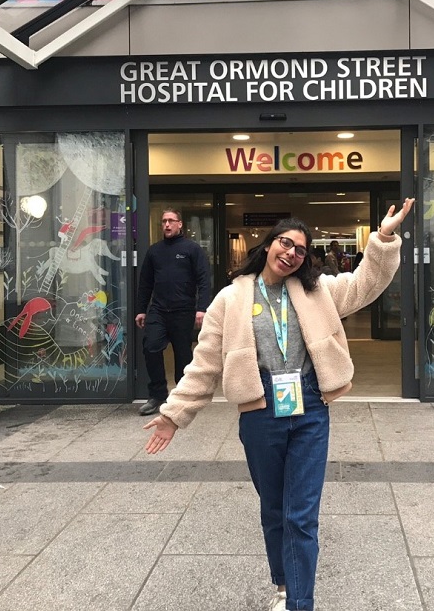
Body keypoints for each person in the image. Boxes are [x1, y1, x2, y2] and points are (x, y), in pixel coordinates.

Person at [144, 199, 414, 611]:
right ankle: (285, 585)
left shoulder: (317, 291)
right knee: (274, 509)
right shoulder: (229, 300)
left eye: (301, 249)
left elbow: (366, 283)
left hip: (309, 407)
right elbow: (204, 365)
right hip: (260, 411)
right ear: (269, 245)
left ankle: (300, 603)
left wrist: (384, 238)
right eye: (285, 244)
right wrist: (173, 415)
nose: (291, 253)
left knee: (301, 514)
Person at [135, 208, 211, 416]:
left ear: (180, 224)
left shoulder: (192, 249)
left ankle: (182, 395)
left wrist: (201, 309)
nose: (167, 225)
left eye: (171, 221)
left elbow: (204, 280)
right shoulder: (154, 251)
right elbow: (145, 283)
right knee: (150, 347)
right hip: (158, 309)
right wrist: (141, 310)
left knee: (183, 354)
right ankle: (158, 395)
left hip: (183, 310)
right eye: (164, 221)